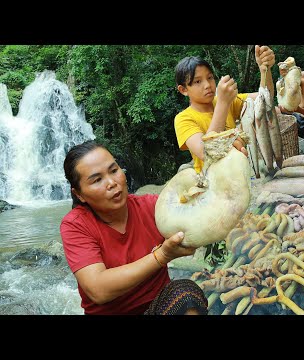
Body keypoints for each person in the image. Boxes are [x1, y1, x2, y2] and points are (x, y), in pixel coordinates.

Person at [60, 140, 208, 315]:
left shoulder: (152, 207)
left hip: (159, 309)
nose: (112, 183)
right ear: (79, 194)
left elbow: (199, 215)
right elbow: (98, 290)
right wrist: (162, 256)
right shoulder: (76, 225)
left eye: (114, 170)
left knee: (185, 294)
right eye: (97, 180)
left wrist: (222, 161)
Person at [174, 45, 276, 174]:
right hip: (211, 183)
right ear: (183, 90)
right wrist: (223, 103)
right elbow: (206, 153)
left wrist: (264, 71)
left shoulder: (226, 100)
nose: (207, 85)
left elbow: (265, 98)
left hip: (238, 174)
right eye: (198, 82)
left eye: (210, 77)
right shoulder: (183, 119)